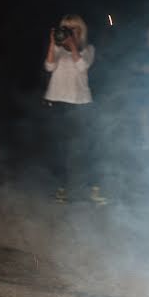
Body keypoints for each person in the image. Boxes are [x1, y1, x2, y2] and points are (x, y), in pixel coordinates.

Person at [43, 14, 105, 205]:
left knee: (88, 147)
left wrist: (72, 46)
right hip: (57, 102)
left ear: (81, 31)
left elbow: (82, 66)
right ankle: (62, 188)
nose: (69, 32)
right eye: (66, 29)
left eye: (73, 29)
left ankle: (93, 188)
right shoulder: (58, 50)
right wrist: (52, 44)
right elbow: (48, 66)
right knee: (60, 149)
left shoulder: (88, 49)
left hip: (80, 104)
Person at [129, 24, 149, 151]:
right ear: (147, 34)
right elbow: (133, 65)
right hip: (142, 85)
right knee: (144, 115)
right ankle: (147, 142)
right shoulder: (142, 49)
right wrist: (140, 68)